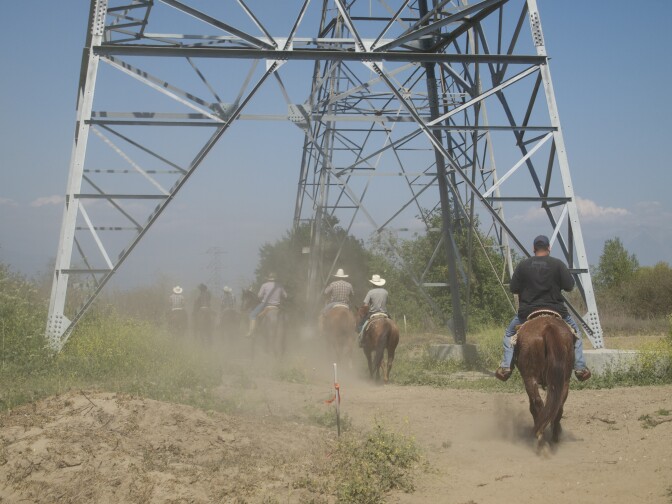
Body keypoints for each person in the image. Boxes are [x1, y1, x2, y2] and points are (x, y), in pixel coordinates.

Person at [495, 235, 591, 382]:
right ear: (549, 248)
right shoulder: (558, 264)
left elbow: (514, 288)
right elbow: (569, 286)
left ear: (533, 249)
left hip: (527, 312)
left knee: (509, 334)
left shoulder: (523, 265)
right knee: (576, 334)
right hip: (557, 311)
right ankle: (579, 367)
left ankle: (506, 366)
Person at [247, 273, 287, 337]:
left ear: (268, 278)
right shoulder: (280, 285)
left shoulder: (264, 285)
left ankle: (251, 332)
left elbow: (259, 295)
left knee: (252, 315)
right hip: (276, 306)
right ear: (275, 279)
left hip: (266, 304)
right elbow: (285, 296)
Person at [357, 274, 389, 347]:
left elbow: (365, 305)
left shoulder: (370, 292)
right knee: (392, 323)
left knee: (362, 325)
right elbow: (387, 302)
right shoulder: (385, 292)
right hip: (384, 313)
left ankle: (361, 340)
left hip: (373, 313)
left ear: (373, 283)